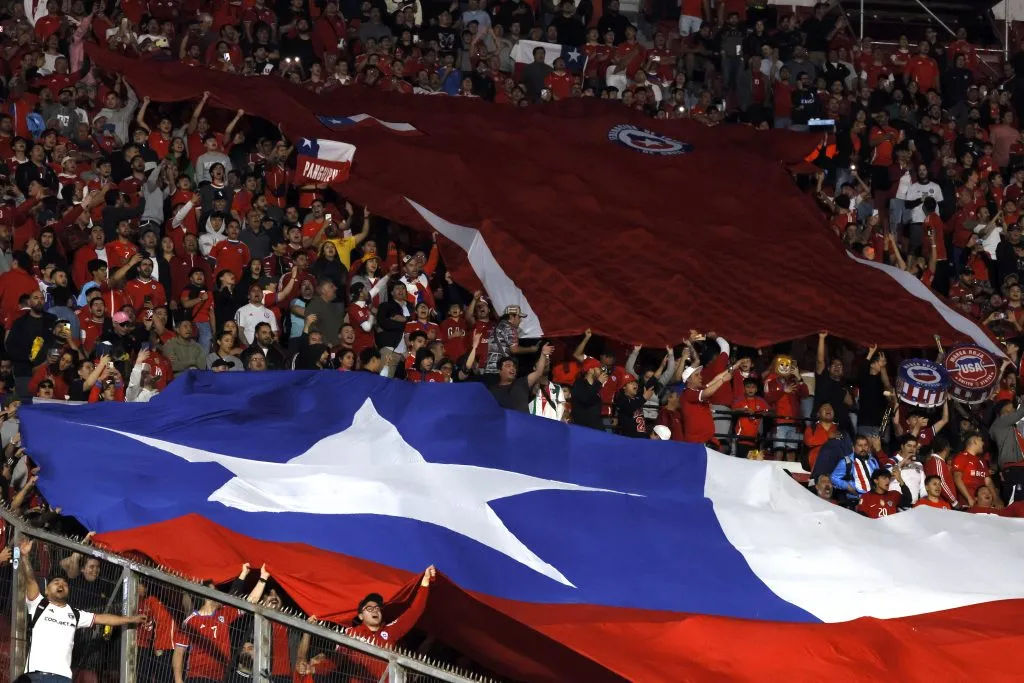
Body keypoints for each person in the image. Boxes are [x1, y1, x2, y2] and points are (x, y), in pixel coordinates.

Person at [19, 537, 147, 683]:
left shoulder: (74, 614)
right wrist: (24, 556)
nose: (61, 584)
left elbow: (103, 618)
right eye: (56, 582)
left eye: (64, 583)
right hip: (35, 675)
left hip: (63, 678)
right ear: (46, 591)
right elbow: (29, 579)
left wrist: (130, 619)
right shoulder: (38, 605)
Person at [489, 343, 554, 412]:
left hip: (523, 422)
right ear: (499, 370)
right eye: (508, 366)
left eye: (514, 366)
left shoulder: (522, 383)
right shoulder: (492, 390)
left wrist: (543, 354)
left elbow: (538, 372)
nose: (512, 368)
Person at [830, 435, 880, 505]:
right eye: (860, 445)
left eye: (865, 445)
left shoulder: (872, 460)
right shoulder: (846, 462)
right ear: (853, 447)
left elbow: (878, 476)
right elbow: (833, 478)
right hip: (856, 499)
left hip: (874, 497)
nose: (863, 448)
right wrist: (847, 486)